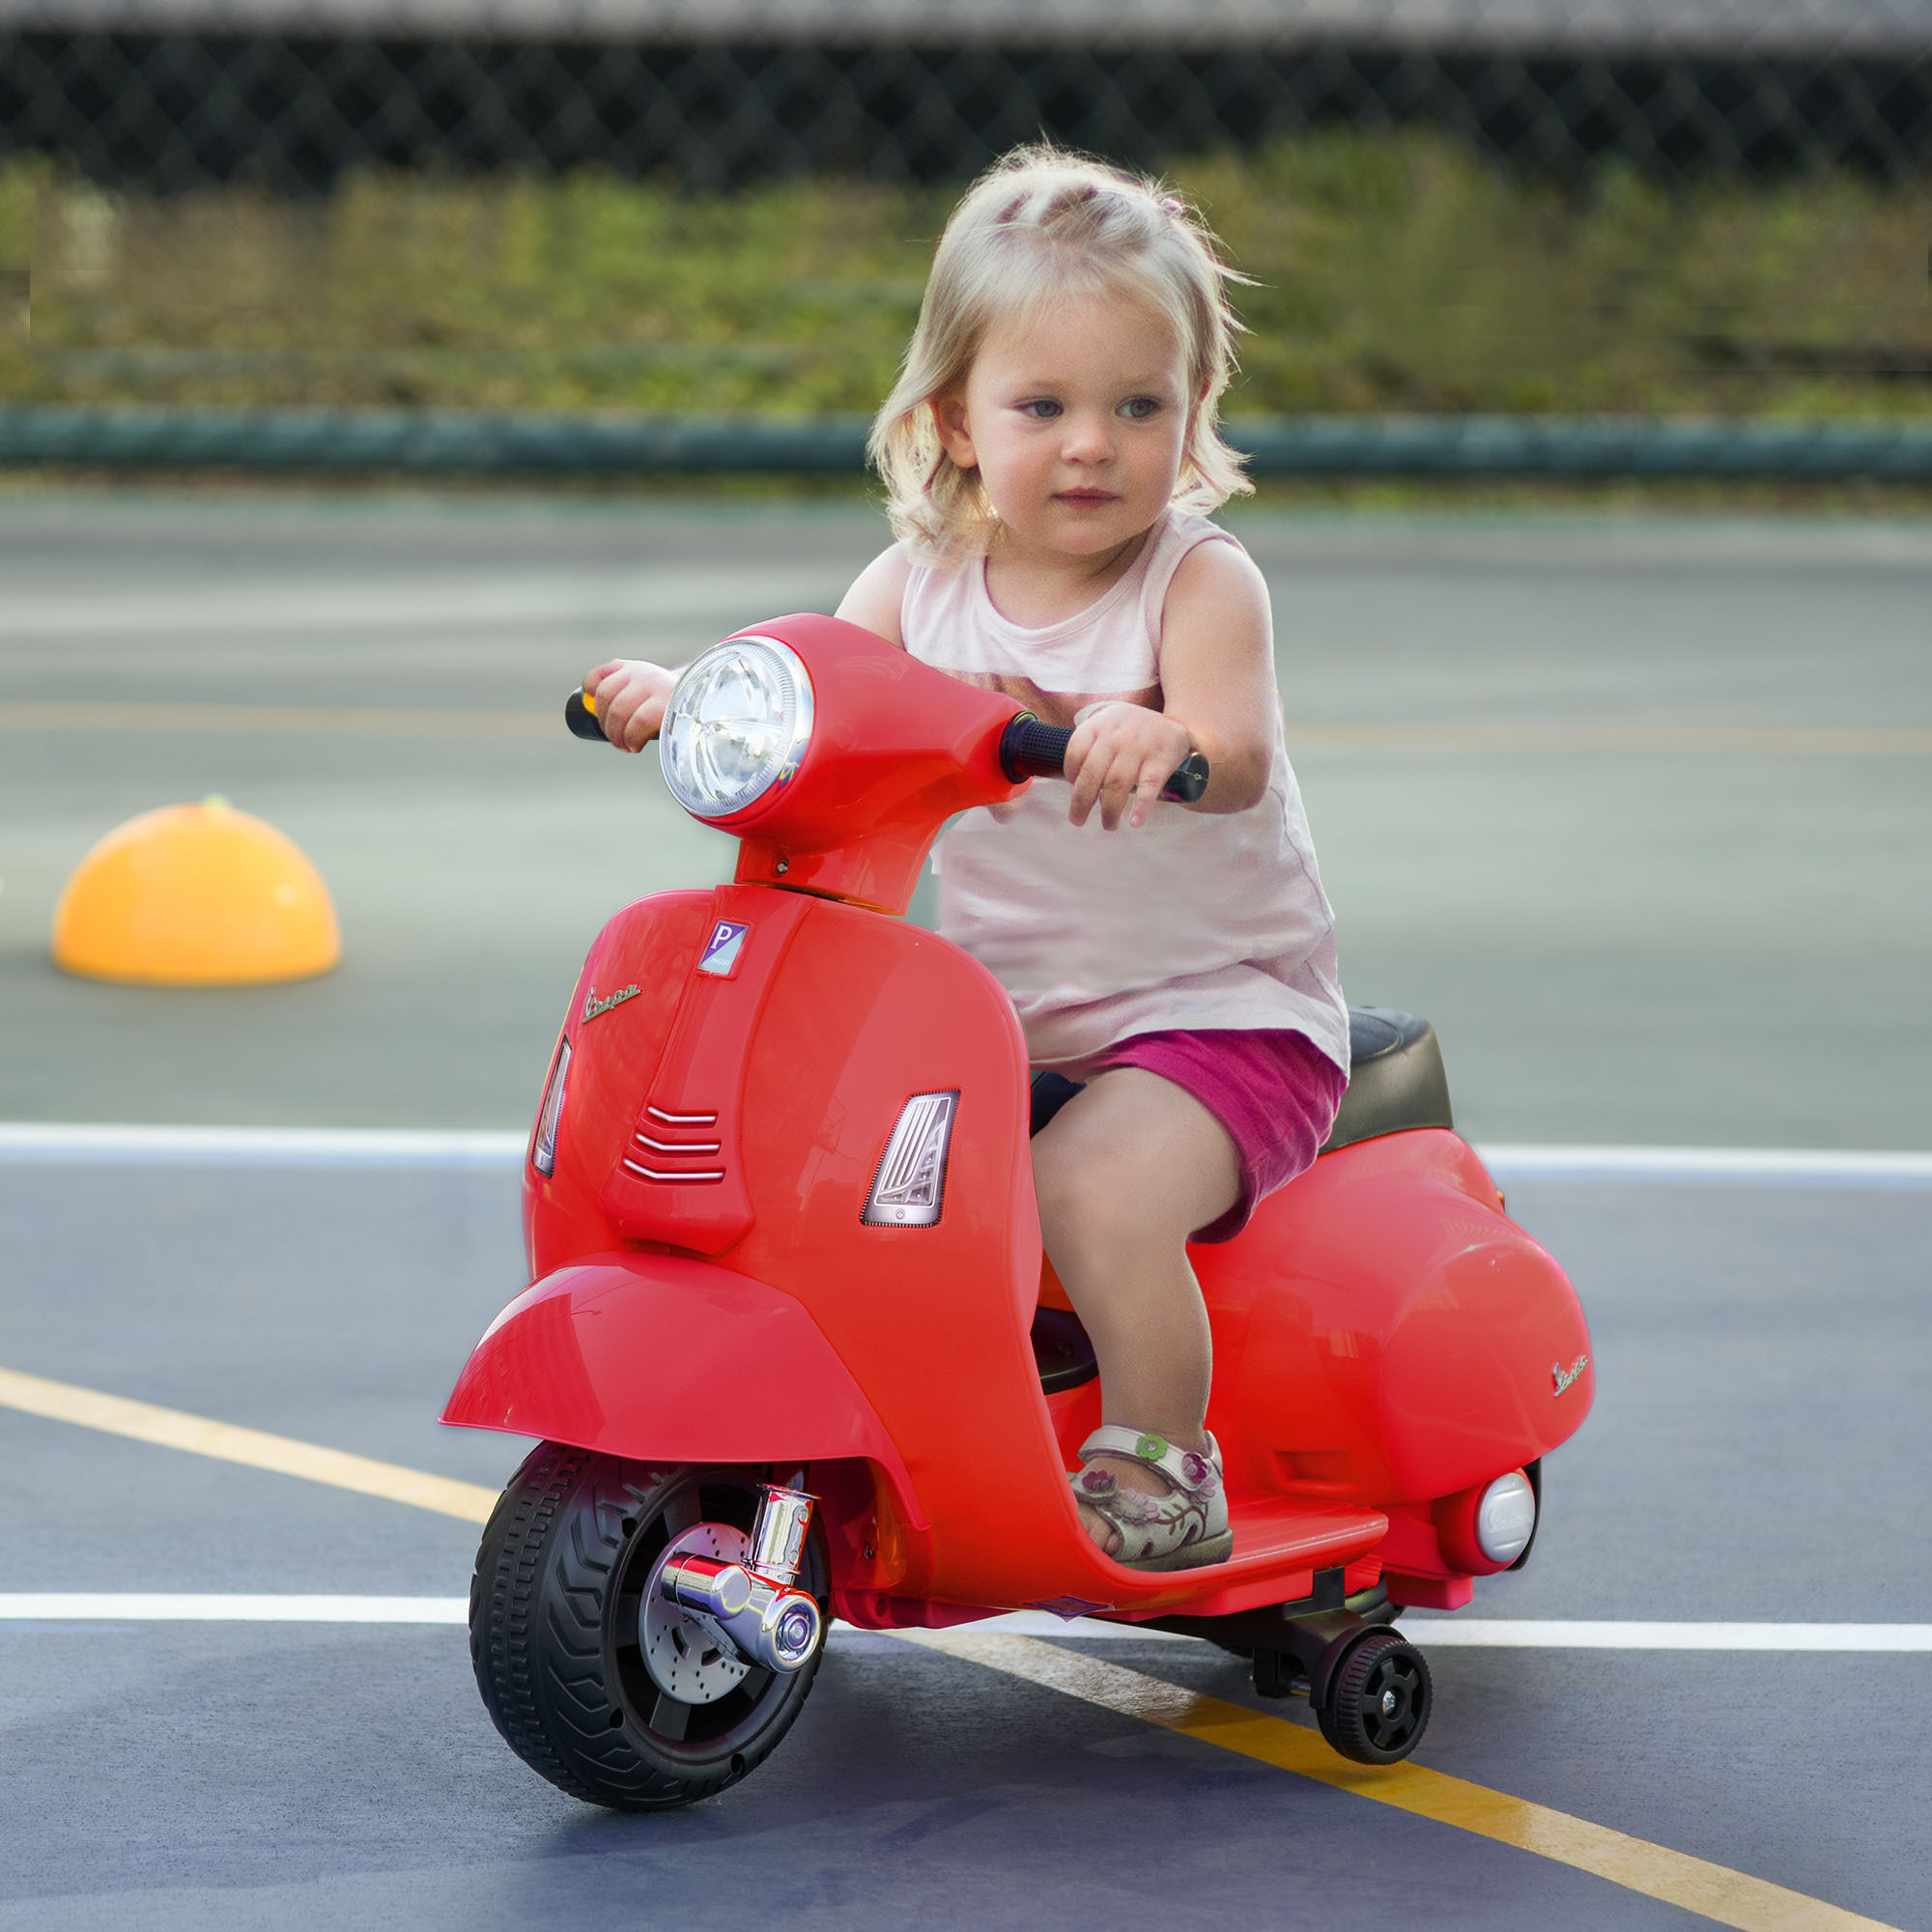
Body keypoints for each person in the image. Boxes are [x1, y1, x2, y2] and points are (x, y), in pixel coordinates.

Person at [584, 145, 1350, 1574]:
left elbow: (1231, 749)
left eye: (1139, 406)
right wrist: (693, 693)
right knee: (849, 1189)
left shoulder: (1198, 581)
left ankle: (1165, 1464)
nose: (1092, 445)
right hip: (1012, 1024)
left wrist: (1155, 733)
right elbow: (821, 700)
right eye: (1043, 405)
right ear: (951, 417)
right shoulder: (915, 585)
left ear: (1194, 416)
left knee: (1091, 1194)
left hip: (1219, 1012)